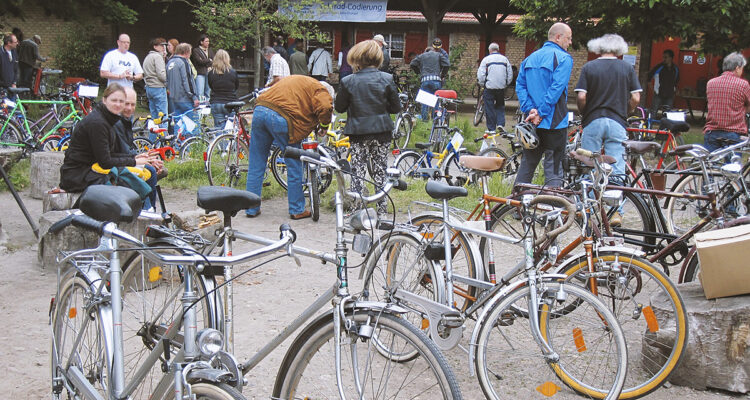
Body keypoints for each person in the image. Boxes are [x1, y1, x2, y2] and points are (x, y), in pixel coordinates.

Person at [245, 75, 334, 219]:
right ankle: (297, 209)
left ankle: (251, 207)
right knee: (294, 164)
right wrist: (323, 126)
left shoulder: (300, 81)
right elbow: (325, 107)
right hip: (282, 117)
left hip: (260, 110)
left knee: (256, 163)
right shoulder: (320, 89)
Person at [335, 40, 401, 215]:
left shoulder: (348, 81)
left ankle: (358, 210)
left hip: (358, 132)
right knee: (380, 170)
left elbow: (340, 107)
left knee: (358, 171)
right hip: (382, 131)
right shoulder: (387, 79)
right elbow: (396, 108)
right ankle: (382, 210)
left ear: (356, 58)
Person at [59, 83, 154, 195]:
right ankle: (144, 210)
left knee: (144, 172)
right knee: (129, 180)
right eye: (114, 100)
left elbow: (108, 155)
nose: (118, 104)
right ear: (104, 100)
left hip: (90, 169)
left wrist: (134, 157)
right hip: (78, 175)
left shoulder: (107, 119)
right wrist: (134, 161)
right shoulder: (98, 123)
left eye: (121, 101)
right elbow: (105, 162)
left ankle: (146, 210)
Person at [575, 33, 642, 188]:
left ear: (599, 48)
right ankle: (615, 207)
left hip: (593, 120)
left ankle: (590, 205)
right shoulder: (627, 68)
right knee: (617, 166)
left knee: (590, 164)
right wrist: (625, 111)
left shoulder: (589, 67)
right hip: (617, 120)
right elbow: (636, 98)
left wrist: (585, 111)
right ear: (619, 49)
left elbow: (582, 97)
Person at [514, 22, 573, 188]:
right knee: (554, 166)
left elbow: (520, 85)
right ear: (558, 37)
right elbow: (556, 88)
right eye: (568, 39)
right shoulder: (564, 59)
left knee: (528, 164)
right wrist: (541, 112)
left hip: (532, 123)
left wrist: (529, 109)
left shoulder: (529, 58)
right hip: (555, 122)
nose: (570, 43)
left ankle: (517, 206)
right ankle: (553, 205)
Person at [113, 87, 163, 209]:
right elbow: (115, 154)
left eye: (133, 104)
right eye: (126, 104)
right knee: (137, 174)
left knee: (150, 169)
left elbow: (127, 149)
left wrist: (146, 158)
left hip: (120, 161)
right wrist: (138, 159)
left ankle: (151, 211)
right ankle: (147, 211)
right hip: (108, 168)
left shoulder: (125, 121)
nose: (130, 108)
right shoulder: (113, 123)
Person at [703, 52, 750, 152]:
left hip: (712, 132)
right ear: (737, 68)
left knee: (709, 166)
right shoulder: (743, 85)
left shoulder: (711, 83)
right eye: (742, 68)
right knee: (732, 166)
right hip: (734, 133)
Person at [477, 42, 513, 133]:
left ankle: (491, 128)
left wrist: (482, 84)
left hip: (489, 87)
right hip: (501, 88)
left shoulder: (486, 60)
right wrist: (506, 84)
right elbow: (510, 74)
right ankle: (500, 124)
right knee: (500, 106)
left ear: (490, 50)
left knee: (489, 107)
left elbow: (481, 74)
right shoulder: (505, 60)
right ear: (498, 49)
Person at [166, 43, 199, 131]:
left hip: (174, 98)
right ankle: (195, 143)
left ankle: (178, 143)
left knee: (179, 124)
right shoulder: (184, 62)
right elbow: (188, 80)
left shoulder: (170, 62)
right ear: (186, 52)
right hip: (186, 98)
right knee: (193, 124)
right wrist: (194, 96)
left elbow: (167, 80)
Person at [410, 46, 450, 120]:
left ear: (426, 51)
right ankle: (435, 119)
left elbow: (412, 64)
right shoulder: (438, 55)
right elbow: (447, 64)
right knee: (436, 101)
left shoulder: (422, 56)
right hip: (436, 80)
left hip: (425, 80)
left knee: (425, 102)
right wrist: (442, 75)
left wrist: (418, 72)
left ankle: (424, 120)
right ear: (433, 50)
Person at [207, 49, 239, 129]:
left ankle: (220, 141)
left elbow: (211, 86)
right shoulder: (233, 72)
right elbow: (236, 86)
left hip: (216, 102)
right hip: (230, 102)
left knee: (219, 130)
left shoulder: (211, 73)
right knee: (231, 129)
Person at [142, 37, 168, 125]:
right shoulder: (157, 57)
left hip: (149, 87)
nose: (164, 48)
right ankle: (164, 138)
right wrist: (169, 82)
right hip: (158, 88)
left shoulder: (148, 57)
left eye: (165, 45)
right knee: (163, 117)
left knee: (154, 117)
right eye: (162, 45)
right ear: (155, 47)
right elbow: (161, 75)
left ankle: (152, 138)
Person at [191, 34, 214, 101]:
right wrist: (209, 60)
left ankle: (207, 107)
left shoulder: (210, 50)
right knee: (200, 91)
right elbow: (199, 61)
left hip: (209, 72)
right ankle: (200, 107)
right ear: (201, 42)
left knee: (208, 91)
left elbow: (213, 60)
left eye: (208, 41)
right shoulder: (196, 50)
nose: (208, 43)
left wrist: (206, 61)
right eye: (206, 41)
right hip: (200, 73)